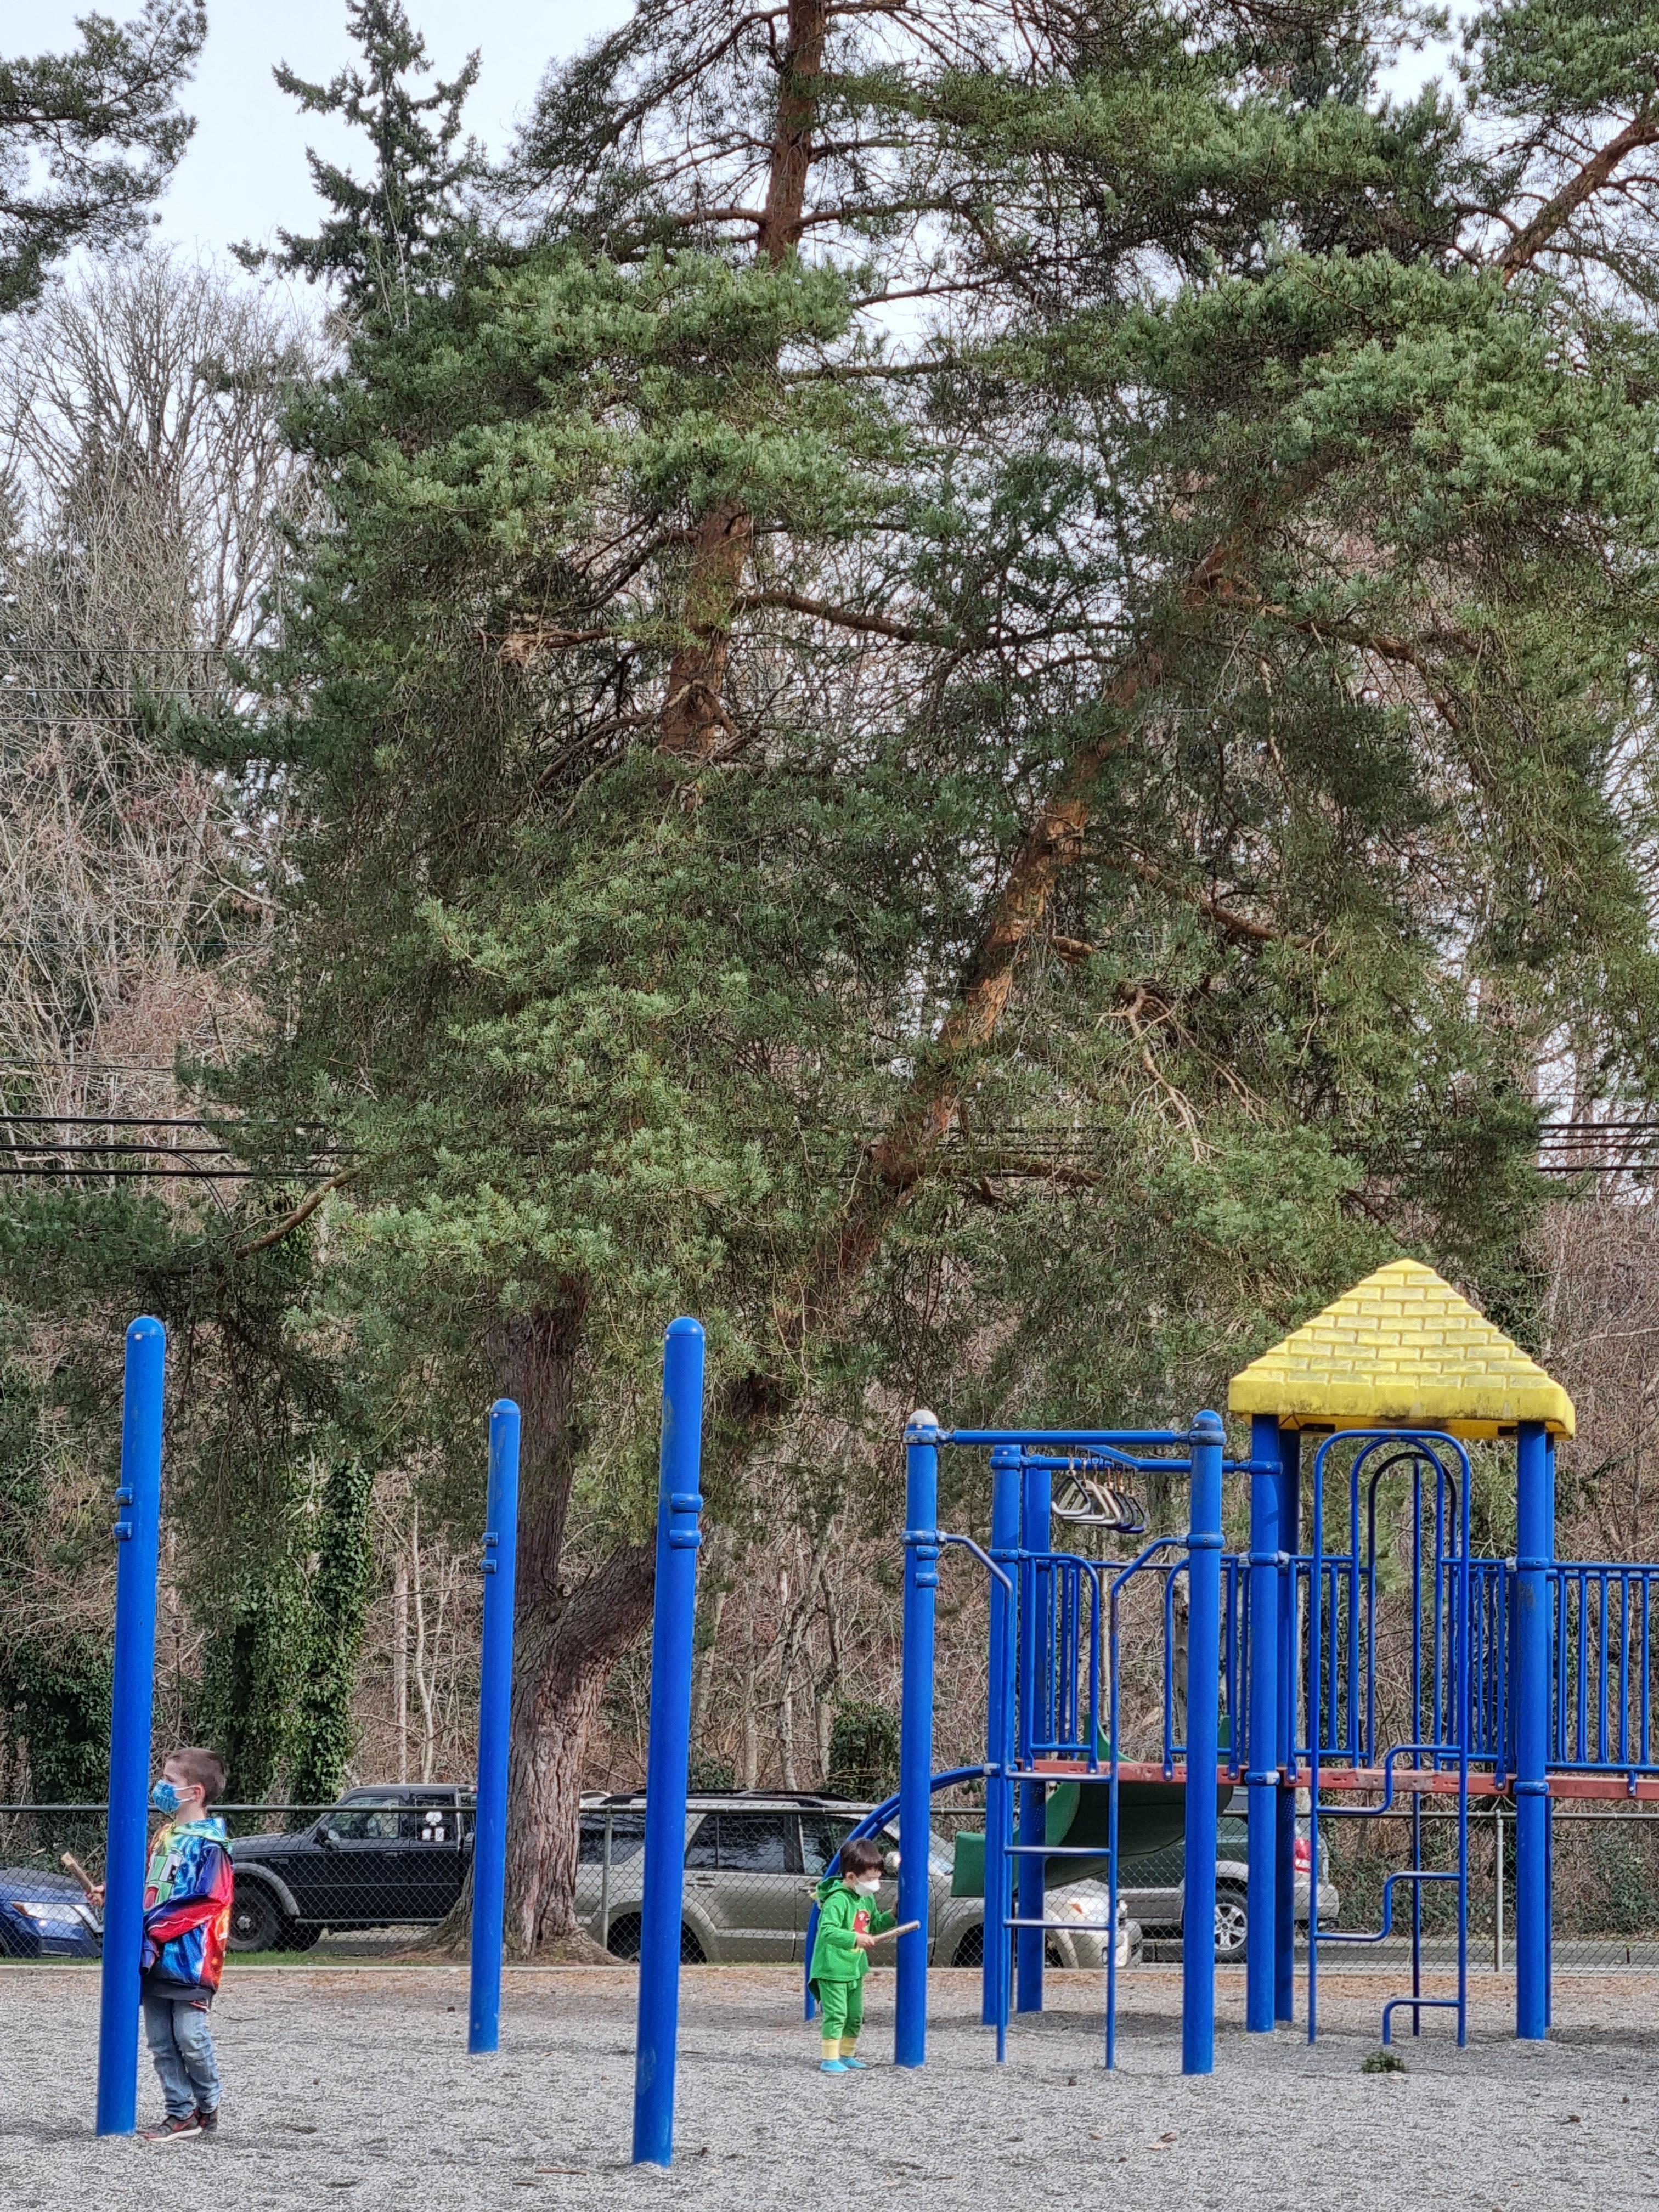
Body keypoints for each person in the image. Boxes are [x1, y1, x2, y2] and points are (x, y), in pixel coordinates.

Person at [95, 1746, 235, 2143]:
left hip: (192, 1961)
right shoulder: (163, 1837)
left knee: (190, 2035)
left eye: (169, 1781)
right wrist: (114, 1893)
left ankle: (208, 2103)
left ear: (195, 1792)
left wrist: (153, 1927)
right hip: (152, 1958)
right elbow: (146, 1882)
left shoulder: (212, 1846)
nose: (160, 1787)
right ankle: (180, 2112)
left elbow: (210, 1900)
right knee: (159, 2039)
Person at [807, 1837, 898, 2074]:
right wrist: (855, 1938)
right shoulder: (838, 1900)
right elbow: (828, 1930)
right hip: (832, 1968)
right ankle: (829, 2059)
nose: (876, 1884)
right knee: (837, 2014)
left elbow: (873, 1924)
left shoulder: (866, 1897)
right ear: (851, 1877)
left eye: (878, 1878)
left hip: (854, 1967)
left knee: (855, 2016)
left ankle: (847, 2054)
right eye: (871, 1879)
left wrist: (892, 1915)